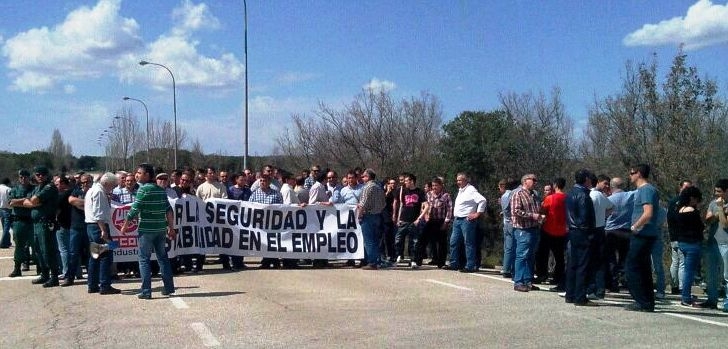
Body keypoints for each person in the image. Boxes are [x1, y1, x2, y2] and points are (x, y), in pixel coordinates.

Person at [120, 164, 176, 299]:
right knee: (162, 258)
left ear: (147, 175)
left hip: (146, 230)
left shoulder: (143, 190)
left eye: (139, 173)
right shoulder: (161, 190)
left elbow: (134, 210)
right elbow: (169, 210)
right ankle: (169, 288)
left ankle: (146, 291)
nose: (136, 175)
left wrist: (125, 225)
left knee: (144, 259)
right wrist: (171, 227)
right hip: (160, 229)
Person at [624, 164, 661, 312]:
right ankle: (647, 302)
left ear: (639, 174)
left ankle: (641, 301)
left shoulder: (646, 190)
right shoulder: (645, 190)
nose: (630, 175)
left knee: (632, 267)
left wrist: (635, 226)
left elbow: (648, 213)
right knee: (644, 268)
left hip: (642, 234)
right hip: (646, 234)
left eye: (632, 172)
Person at [17, 166, 60, 287]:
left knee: (47, 250)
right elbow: (27, 201)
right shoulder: (37, 188)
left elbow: (33, 201)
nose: (40, 176)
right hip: (36, 224)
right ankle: (44, 274)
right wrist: (32, 202)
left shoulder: (49, 187)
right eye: (38, 174)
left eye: (43, 174)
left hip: (45, 223)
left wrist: (32, 202)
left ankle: (54, 276)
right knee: (38, 251)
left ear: (47, 175)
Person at [84, 172, 121, 294]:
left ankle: (92, 284)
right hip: (99, 226)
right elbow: (98, 213)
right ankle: (105, 285)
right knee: (105, 256)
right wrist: (104, 230)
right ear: (106, 183)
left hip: (91, 226)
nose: (113, 188)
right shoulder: (99, 192)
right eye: (112, 185)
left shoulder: (92, 190)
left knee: (95, 256)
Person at [564, 169, 596, 305]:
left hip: (572, 231)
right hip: (582, 232)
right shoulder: (583, 195)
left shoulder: (570, 193)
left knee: (573, 264)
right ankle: (580, 297)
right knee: (583, 265)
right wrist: (589, 234)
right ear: (586, 179)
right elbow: (584, 217)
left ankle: (570, 294)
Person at [510, 174, 543, 292]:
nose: (535, 182)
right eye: (533, 179)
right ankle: (518, 282)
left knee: (530, 256)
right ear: (525, 181)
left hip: (533, 228)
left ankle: (528, 281)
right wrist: (532, 216)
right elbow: (515, 211)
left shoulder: (534, 195)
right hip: (522, 229)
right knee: (522, 255)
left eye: (536, 179)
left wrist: (539, 217)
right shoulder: (518, 194)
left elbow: (536, 210)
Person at [673, 186, 704, 307]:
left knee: (685, 269)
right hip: (693, 243)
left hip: (682, 242)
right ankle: (686, 297)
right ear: (692, 198)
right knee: (689, 272)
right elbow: (700, 227)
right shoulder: (693, 212)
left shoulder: (679, 210)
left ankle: (685, 295)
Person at [603, 177, 634, 292]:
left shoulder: (608, 199)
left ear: (611, 187)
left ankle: (613, 283)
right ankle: (626, 281)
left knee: (610, 258)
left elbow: (604, 215)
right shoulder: (631, 196)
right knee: (625, 258)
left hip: (611, 231)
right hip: (627, 231)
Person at [537, 177, 568, 291]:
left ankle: (542, 274)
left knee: (542, 253)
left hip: (548, 229)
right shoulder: (567, 198)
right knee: (559, 256)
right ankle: (558, 277)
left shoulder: (550, 198)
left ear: (555, 185)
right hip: (562, 230)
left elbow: (542, 211)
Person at [394, 173, 429, 269]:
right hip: (403, 219)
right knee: (398, 239)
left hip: (414, 220)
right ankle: (399, 255)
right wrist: (398, 218)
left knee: (414, 241)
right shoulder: (403, 191)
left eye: (406, 181)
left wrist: (419, 218)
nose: (405, 183)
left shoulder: (419, 192)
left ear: (412, 181)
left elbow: (426, 206)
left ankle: (413, 260)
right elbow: (401, 205)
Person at [702, 178, 728, 310]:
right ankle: (711, 299)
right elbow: (708, 220)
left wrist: (720, 209)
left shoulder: (719, 205)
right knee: (711, 274)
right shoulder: (713, 203)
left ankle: (727, 301)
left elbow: (725, 224)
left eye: (719, 191)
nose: (716, 194)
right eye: (715, 191)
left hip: (726, 244)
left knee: (726, 275)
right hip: (712, 242)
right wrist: (717, 212)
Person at [249, 174, 283, 269]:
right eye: (261, 181)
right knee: (264, 242)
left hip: (273, 223)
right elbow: (249, 206)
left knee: (273, 241)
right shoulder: (254, 194)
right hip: (260, 224)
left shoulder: (276, 194)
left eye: (264, 181)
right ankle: (265, 261)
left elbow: (282, 207)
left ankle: (275, 261)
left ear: (269, 182)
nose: (262, 182)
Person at [64, 174, 92, 286]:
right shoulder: (75, 191)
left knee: (91, 254)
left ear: (91, 181)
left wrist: (80, 204)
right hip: (76, 227)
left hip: (89, 226)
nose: (85, 184)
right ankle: (69, 277)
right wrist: (88, 204)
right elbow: (71, 200)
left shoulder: (94, 191)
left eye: (87, 181)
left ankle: (93, 277)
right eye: (83, 182)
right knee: (73, 253)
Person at [7, 170, 35, 277]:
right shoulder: (14, 189)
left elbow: (34, 202)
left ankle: (40, 268)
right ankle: (17, 268)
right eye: (21, 177)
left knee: (35, 245)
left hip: (31, 221)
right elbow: (11, 202)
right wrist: (26, 200)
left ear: (29, 177)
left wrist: (19, 202)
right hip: (19, 221)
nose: (23, 179)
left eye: (25, 177)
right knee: (19, 246)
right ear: (19, 178)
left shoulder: (34, 189)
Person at [357, 169, 386, 270]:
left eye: (364, 176)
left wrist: (360, 216)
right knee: (375, 240)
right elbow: (383, 203)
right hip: (377, 215)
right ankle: (377, 260)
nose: (362, 178)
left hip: (368, 216)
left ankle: (372, 262)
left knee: (368, 240)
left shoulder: (367, 187)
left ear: (368, 177)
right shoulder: (379, 187)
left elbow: (362, 204)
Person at [667, 180, 692, 295]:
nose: (687, 190)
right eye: (686, 187)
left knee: (675, 262)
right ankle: (681, 287)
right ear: (680, 187)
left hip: (674, 235)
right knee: (682, 263)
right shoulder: (684, 202)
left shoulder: (672, 202)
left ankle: (674, 286)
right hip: (681, 236)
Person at [422, 177, 452, 268]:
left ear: (441, 186)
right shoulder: (428, 194)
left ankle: (441, 262)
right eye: (433, 185)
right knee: (423, 240)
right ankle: (418, 259)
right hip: (430, 220)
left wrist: (446, 222)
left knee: (442, 243)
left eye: (436, 185)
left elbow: (450, 209)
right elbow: (424, 205)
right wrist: (425, 215)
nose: (434, 187)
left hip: (441, 221)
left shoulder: (446, 196)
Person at [500, 178, 518, 278]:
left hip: (506, 222)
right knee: (512, 247)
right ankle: (508, 269)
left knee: (507, 247)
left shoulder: (504, 195)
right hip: (511, 222)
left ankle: (506, 267)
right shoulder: (512, 195)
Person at [0, 177, 12, 248]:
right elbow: (10, 200)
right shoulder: (8, 189)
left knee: (4, 225)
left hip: (0, 208)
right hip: (7, 209)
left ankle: (7, 242)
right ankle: (3, 243)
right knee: (6, 227)